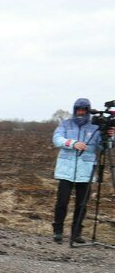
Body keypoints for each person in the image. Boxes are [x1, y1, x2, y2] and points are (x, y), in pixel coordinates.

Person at [51, 98, 114, 244]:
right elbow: (57, 138)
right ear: (74, 110)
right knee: (62, 202)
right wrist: (72, 143)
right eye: (78, 110)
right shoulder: (66, 124)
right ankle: (58, 232)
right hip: (66, 170)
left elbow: (103, 147)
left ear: (87, 110)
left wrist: (110, 137)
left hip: (86, 171)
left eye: (83, 110)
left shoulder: (95, 126)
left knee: (82, 204)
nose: (80, 112)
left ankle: (76, 234)